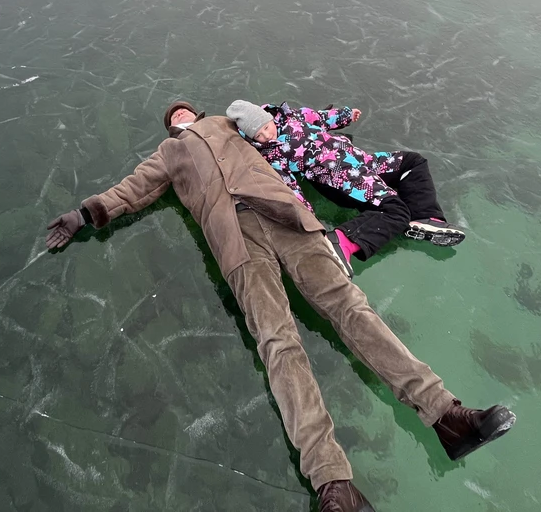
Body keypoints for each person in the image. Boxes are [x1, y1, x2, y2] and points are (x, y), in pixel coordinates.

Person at [45, 100, 515, 512]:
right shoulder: (169, 155)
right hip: (237, 241)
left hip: (289, 218)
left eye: (186, 111)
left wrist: (336, 132)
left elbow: (289, 128)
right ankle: (332, 482)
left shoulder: (230, 126)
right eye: (174, 117)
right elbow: (131, 189)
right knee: (278, 342)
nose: (181, 116)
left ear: (200, 112)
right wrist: (82, 214)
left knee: (353, 310)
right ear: (171, 128)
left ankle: (447, 416)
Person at [226, 99, 466, 278]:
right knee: (395, 210)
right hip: (337, 176)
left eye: (266, 128)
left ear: (269, 117)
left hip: (360, 161)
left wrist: (345, 116)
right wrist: (307, 216)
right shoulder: (272, 153)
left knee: (412, 163)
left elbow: (320, 118)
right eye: (259, 136)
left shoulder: (293, 117)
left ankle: (426, 218)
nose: (267, 135)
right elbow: (288, 183)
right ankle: (342, 241)